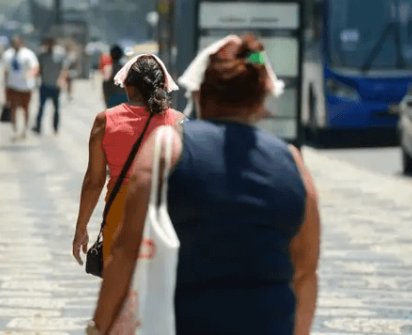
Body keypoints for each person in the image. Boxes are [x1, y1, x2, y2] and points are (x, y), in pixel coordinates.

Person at [85, 35, 321, 335]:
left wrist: (99, 328)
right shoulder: (293, 163)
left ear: (200, 93)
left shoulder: (167, 149)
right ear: (262, 98)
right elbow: (305, 272)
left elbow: (124, 252)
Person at [73, 54, 182, 265]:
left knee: (119, 289)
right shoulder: (178, 122)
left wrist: (81, 228)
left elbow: (94, 181)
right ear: (162, 85)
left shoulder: (105, 121)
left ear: (128, 87)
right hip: (163, 217)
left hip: (119, 216)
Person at [3, 36, 39, 140]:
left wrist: (29, 76)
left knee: (25, 109)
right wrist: (4, 87)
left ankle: (24, 129)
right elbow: (5, 71)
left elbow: (35, 67)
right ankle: (14, 128)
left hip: (25, 87)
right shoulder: (7, 54)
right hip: (12, 86)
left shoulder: (28, 54)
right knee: (13, 108)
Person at [33, 37, 68, 135]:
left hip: (55, 85)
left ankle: (55, 127)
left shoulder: (60, 54)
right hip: (44, 84)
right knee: (41, 107)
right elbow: (38, 68)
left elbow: (64, 68)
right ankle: (38, 126)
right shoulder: (42, 55)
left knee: (56, 108)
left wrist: (61, 80)